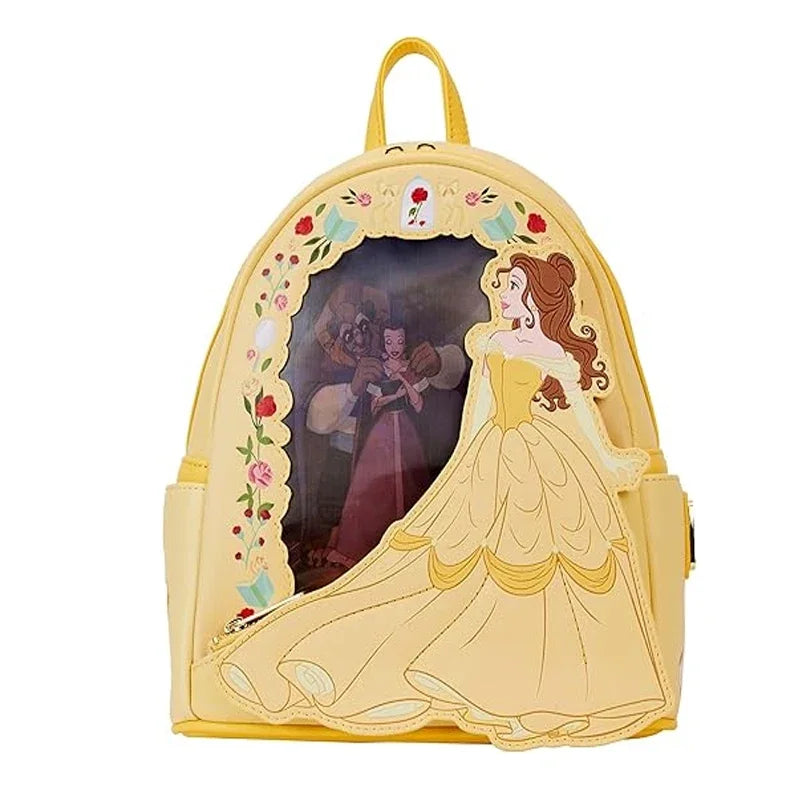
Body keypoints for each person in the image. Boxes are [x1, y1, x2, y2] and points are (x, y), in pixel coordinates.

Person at [220, 252, 669, 749]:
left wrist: (608, 463)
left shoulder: (554, 355)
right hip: (491, 461)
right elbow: (478, 412)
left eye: (512, 285)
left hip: (548, 467)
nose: (500, 291)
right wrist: (464, 469)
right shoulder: (493, 342)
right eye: (504, 283)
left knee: (555, 574)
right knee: (454, 571)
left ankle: (541, 688)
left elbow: (580, 417)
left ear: (534, 296)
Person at [325, 319, 429, 569]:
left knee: (411, 483)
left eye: (399, 341)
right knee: (375, 486)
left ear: (405, 343)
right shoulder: (378, 370)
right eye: (389, 341)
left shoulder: (410, 370)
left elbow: (418, 404)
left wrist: (404, 382)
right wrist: (389, 397)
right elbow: (374, 407)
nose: (395, 346)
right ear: (383, 342)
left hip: (405, 431)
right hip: (382, 434)